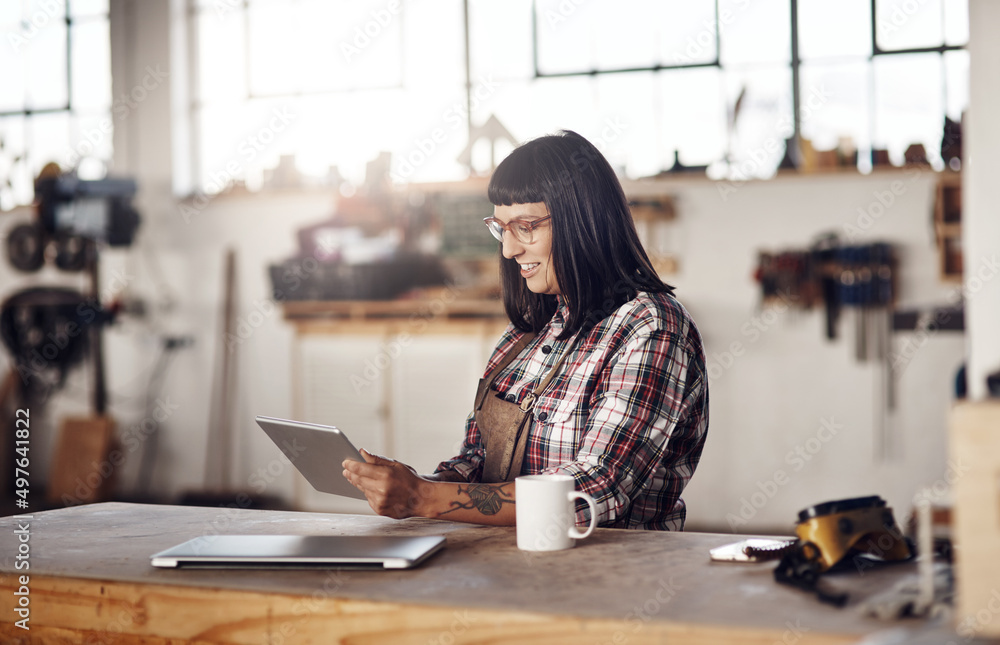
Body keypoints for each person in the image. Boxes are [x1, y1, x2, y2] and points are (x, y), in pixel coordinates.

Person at [343, 130, 708, 530]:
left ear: (582, 218)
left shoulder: (651, 328)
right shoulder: (524, 335)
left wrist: (424, 497)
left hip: (613, 578)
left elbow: (590, 492)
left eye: (526, 226)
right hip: (510, 567)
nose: (509, 249)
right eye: (502, 228)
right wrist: (415, 485)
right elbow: (476, 461)